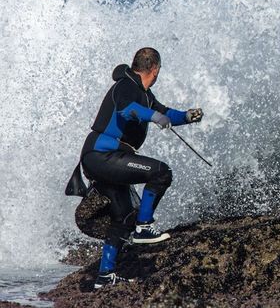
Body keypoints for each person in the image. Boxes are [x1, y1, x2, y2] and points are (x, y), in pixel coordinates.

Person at [80, 48, 203, 289]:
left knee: (123, 216)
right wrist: (154, 117)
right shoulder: (125, 85)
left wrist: (187, 116)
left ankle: (105, 276)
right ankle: (145, 227)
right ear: (155, 69)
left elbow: (167, 113)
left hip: (109, 157)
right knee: (160, 172)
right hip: (101, 154)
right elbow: (125, 109)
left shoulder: (146, 94)